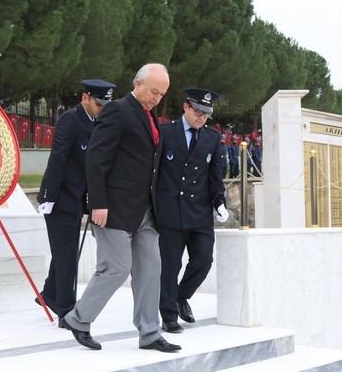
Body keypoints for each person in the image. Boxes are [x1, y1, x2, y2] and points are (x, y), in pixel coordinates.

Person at [60, 63, 181, 353]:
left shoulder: (149, 117)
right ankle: (78, 319)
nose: (157, 98)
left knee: (152, 268)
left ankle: (150, 333)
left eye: (162, 94)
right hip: (114, 208)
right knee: (115, 268)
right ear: (137, 84)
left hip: (145, 211)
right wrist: (97, 203)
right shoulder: (117, 110)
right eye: (154, 91)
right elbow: (97, 159)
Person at [36, 79, 117, 322]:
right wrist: (49, 197)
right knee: (68, 257)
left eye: (105, 105)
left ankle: (50, 294)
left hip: (79, 200)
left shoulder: (98, 122)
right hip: (60, 200)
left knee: (65, 253)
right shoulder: (71, 120)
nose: (102, 108)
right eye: (98, 103)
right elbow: (58, 158)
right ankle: (66, 311)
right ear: (85, 98)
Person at [155, 88, 229, 333]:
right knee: (170, 266)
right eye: (198, 112)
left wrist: (220, 203)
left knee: (203, 261)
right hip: (170, 212)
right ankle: (168, 315)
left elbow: (215, 175)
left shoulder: (212, 138)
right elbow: (152, 172)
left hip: (199, 213)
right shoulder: (165, 132)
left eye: (206, 114)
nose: (201, 118)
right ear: (186, 107)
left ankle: (180, 296)